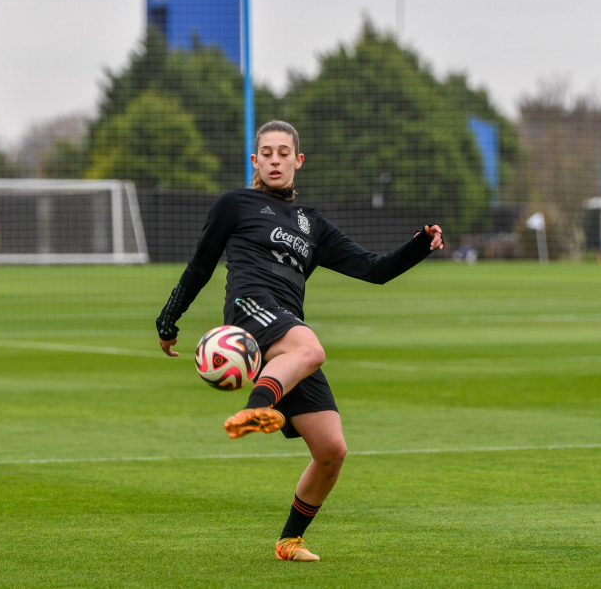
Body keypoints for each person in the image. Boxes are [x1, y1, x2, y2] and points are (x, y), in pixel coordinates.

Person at [157, 120, 443, 562]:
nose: (275, 160)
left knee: (332, 450)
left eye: (283, 153)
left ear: (298, 160)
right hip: (250, 310)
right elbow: (199, 267)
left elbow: (374, 269)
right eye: (266, 153)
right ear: (255, 161)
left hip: (287, 329)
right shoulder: (234, 204)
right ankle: (257, 408)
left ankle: (290, 541)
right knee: (310, 349)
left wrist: (418, 246)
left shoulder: (313, 223)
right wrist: (168, 319)